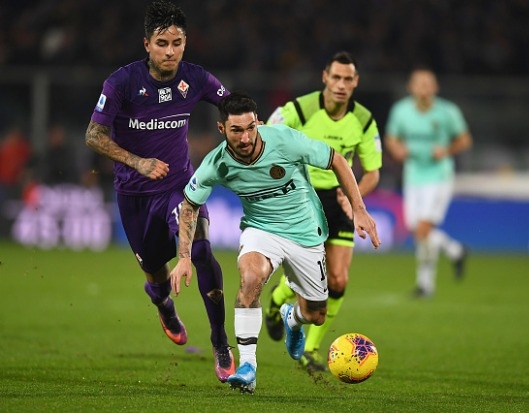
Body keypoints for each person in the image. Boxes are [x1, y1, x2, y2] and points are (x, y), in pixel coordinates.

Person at [170, 92, 381, 394]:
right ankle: (248, 367)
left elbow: (335, 159)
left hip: (305, 232)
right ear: (222, 129)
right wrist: (184, 256)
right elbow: (190, 205)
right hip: (261, 229)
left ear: (257, 122)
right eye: (236, 130)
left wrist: (358, 208)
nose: (245, 138)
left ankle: (291, 319)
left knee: (316, 314)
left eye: (250, 128)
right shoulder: (216, 163)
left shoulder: (283, 140)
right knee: (250, 277)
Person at [84, 0, 235, 382]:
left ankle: (220, 341)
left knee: (201, 251)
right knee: (155, 273)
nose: (170, 51)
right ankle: (164, 304)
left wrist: (250, 124)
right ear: (147, 44)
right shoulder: (122, 82)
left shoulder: (195, 78)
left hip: (180, 188)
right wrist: (137, 162)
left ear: (185, 43)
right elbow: (94, 135)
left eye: (177, 43)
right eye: (162, 43)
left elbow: (230, 104)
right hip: (134, 194)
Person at [264, 51, 382, 371]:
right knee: (312, 275)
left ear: (356, 82)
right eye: (336, 77)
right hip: (303, 196)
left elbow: (372, 173)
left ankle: (311, 348)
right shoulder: (299, 109)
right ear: (325, 78)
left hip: (339, 197)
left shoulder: (363, 120)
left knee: (338, 280)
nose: (341, 85)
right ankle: (277, 302)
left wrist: (354, 197)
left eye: (348, 79)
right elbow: (266, 138)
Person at [384, 67, 472, 298]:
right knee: (417, 230)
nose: (424, 89)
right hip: (413, 175)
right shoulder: (401, 111)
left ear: (435, 88)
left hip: (438, 176)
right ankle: (453, 254)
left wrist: (447, 150)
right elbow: (391, 138)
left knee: (423, 229)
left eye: (428, 84)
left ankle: (426, 282)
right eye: (419, 84)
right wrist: (397, 149)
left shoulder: (447, 112)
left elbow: (465, 139)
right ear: (410, 88)